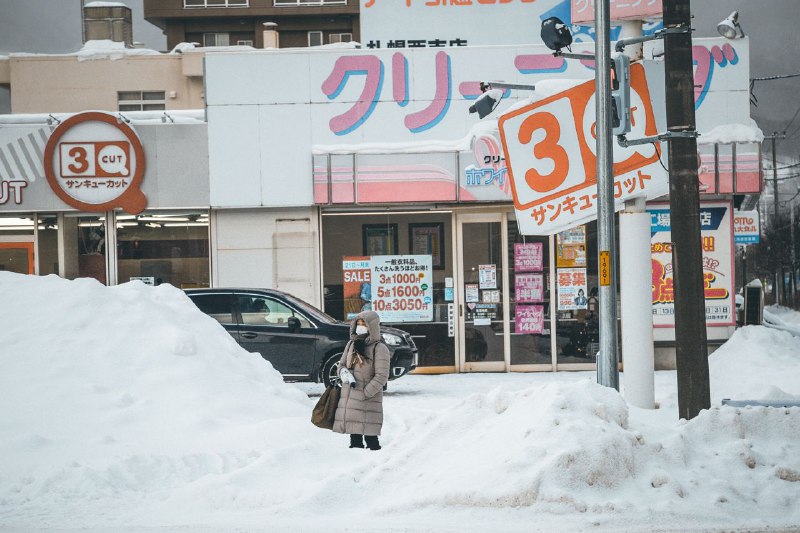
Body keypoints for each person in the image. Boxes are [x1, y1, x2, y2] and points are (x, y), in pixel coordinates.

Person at [332, 310, 390, 450]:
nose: (360, 326)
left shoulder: (379, 348)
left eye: (363, 323)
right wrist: (343, 373)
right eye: (357, 323)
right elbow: (341, 365)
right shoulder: (351, 344)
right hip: (350, 397)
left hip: (367, 399)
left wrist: (366, 393)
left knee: (371, 441)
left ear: (372, 326)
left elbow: (381, 376)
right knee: (355, 439)